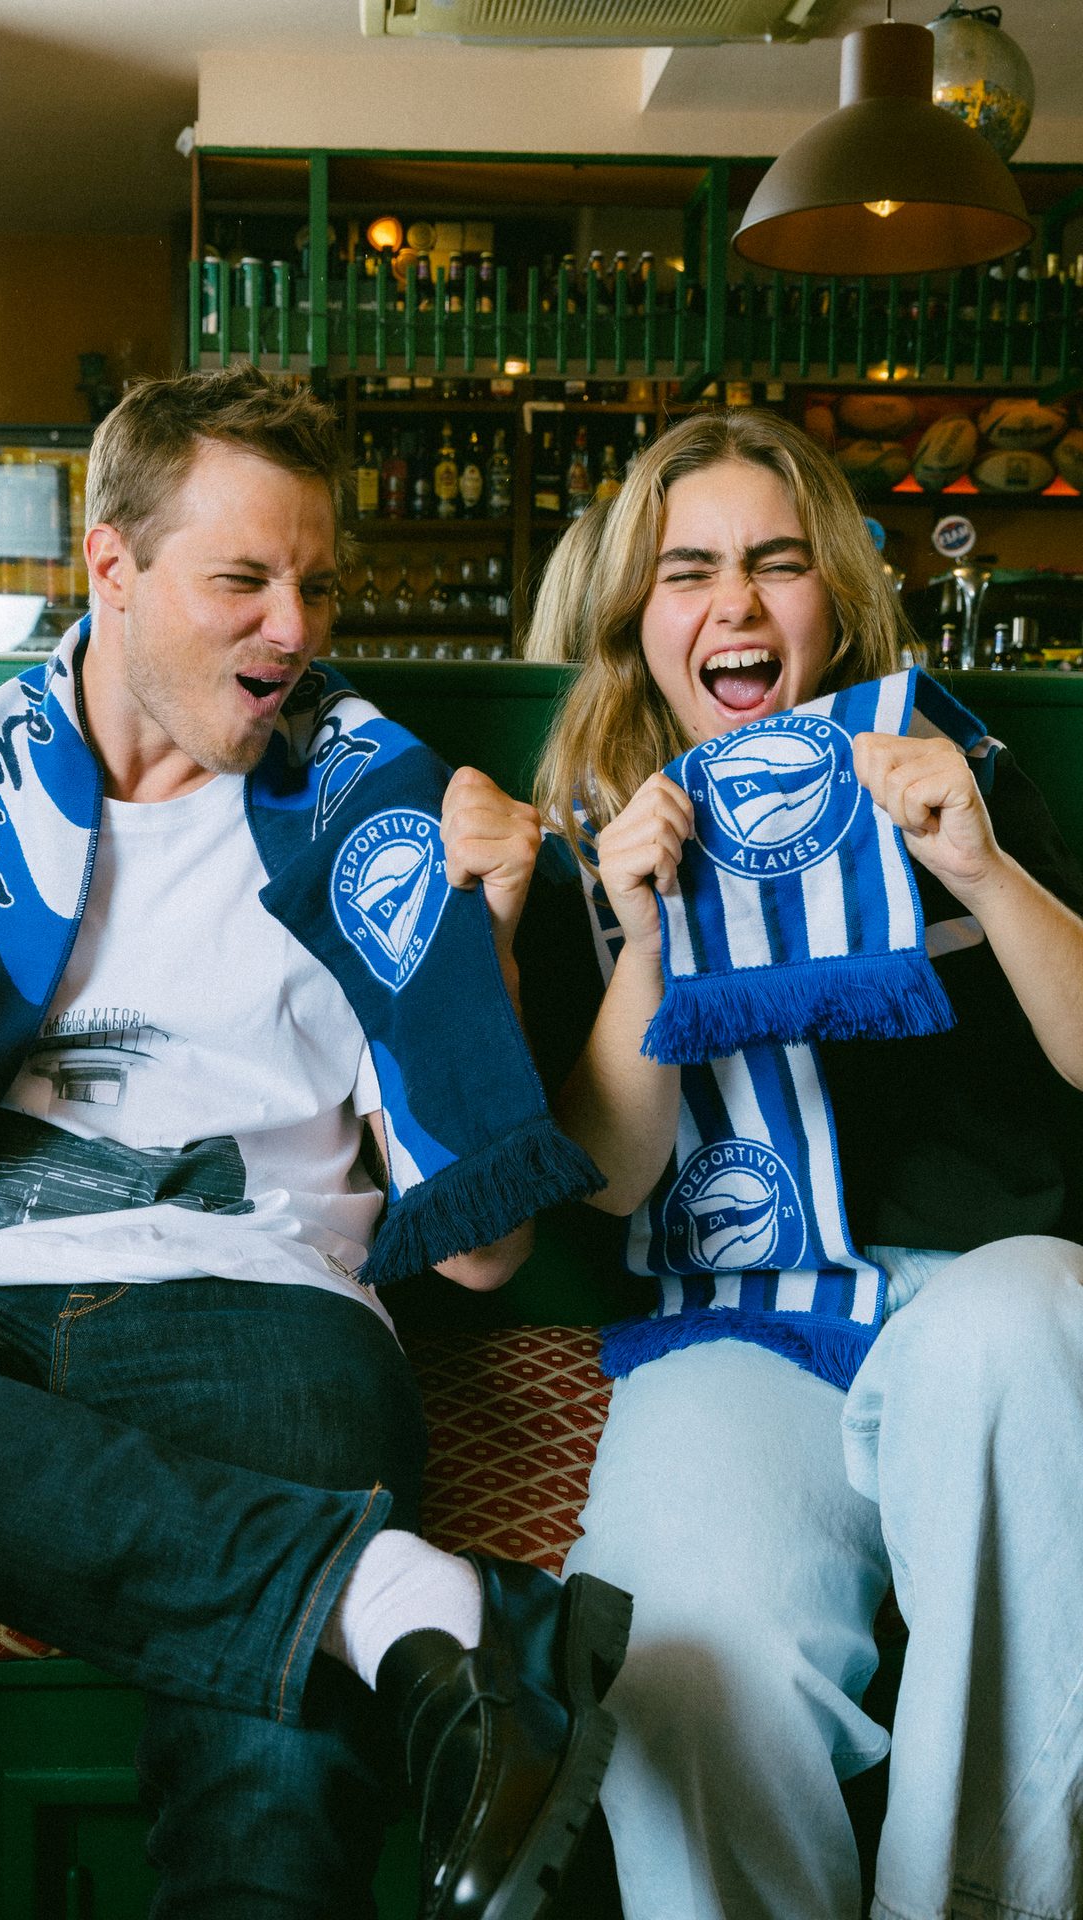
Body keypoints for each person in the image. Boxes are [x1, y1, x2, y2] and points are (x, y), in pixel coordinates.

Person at [0, 365, 631, 1920]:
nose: (296, 630)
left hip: (256, 1318)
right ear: (107, 566)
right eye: (243, 579)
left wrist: (491, 941)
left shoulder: (374, 827)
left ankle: (355, 1604)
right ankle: (399, 1603)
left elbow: (482, 1248)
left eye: (317, 585)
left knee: (269, 1751)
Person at [518, 406, 1083, 1920]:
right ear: (641, 617)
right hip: (741, 1315)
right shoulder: (599, 831)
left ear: (837, 596)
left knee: (1026, 1329)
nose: (738, 606)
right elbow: (611, 1179)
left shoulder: (951, 766)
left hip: (986, 1294)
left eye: (778, 564)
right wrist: (645, 947)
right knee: (684, 1650)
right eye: (689, 570)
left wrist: (979, 864)